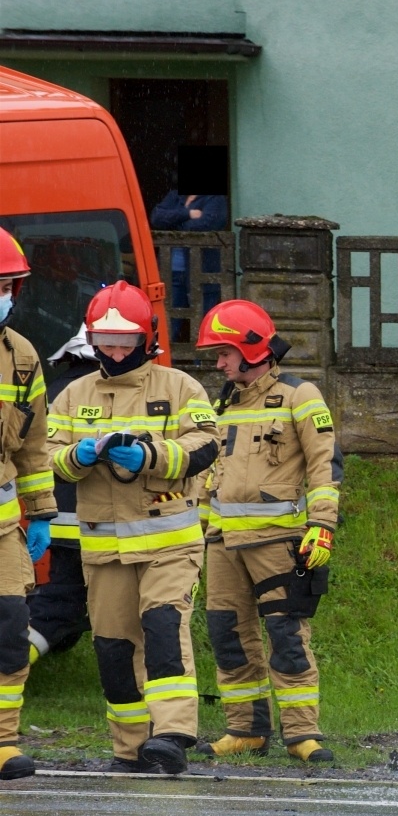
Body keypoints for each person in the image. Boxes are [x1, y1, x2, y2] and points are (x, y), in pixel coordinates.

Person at [46, 280, 219, 775]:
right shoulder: (73, 394)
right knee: (113, 648)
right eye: (106, 342)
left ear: (147, 339)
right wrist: (75, 458)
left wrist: (149, 454)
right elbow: (46, 457)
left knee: (164, 630)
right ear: (92, 340)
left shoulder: (180, 387)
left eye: (125, 341)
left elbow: (206, 446)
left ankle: (172, 734)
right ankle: (130, 748)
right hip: (102, 547)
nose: (116, 351)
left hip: (169, 542)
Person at [193, 299, 340, 764]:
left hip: (278, 543)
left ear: (252, 350)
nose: (218, 362)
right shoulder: (219, 402)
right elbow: (206, 475)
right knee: (228, 636)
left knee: (286, 637)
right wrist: (194, 534)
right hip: (222, 545)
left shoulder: (301, 396)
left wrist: (322, 527)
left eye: (224, 352)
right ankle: (246, 730)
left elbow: (325, 465)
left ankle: (302, 736)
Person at [0, 233, 60, 781]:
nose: (1, 296)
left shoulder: (22, 357)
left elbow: (34, 446)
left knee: (11, 627)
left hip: (2, 531)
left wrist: (40, 512)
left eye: (5, 286)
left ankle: (2, 742)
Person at [26, 326, 100, 664]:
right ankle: (11, 663)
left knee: (55, 603)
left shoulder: (53, 388)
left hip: (50, 522)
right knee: (61, 607)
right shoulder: (100, 391)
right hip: (89, 525)